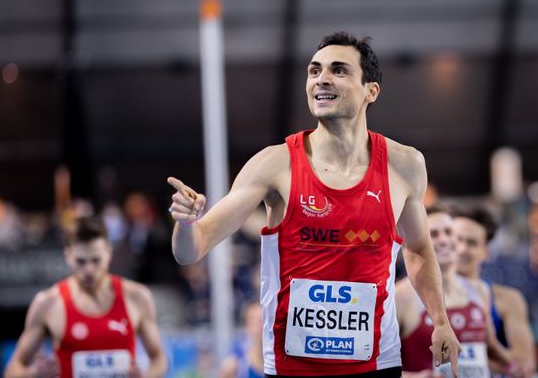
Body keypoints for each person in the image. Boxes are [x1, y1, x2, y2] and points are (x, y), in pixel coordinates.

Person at [167, 31, 460, 377]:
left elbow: (420, 249)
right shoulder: (274, 165)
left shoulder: (405, 166)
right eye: (314, 70)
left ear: (371, 91)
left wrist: (441, 319)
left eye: (339, 70)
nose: (321, 79)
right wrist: (186, 223)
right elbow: (192, 248)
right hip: (294, 367)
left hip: (376, 362)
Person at [4, 216, 167, 378]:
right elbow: (11, 371)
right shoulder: (47, 303)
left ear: (108, 254)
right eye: (81, 261)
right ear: (68, 256)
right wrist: (33, 374)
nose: (89, 270)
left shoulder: (137, 296)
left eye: (96, 260)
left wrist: (147, 376)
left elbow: (160, 359)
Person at [397, 205, 513, 377]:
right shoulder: (399, 297)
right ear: (419, 241)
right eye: (433, 234)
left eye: (450, 233)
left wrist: (516, 368)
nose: (444, 240)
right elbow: (377, 367)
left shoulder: (479, 290)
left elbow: (491, 349)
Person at [453, 205, 536, 377]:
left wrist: (489, 346)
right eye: (456, 240)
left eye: (471, 243)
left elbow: (525, 363)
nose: (461, 249)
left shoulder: (506, 299)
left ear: (486, 252)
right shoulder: (418, 297)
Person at [220, 301, 265, 378]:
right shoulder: (236, 363)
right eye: (255, 322)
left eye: (263, 321)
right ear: (247, 327)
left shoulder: (279, 361)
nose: (260, 327)